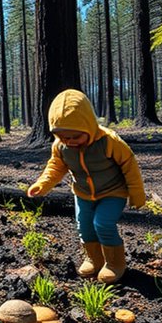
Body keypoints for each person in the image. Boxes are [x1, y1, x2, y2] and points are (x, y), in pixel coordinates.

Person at [26, 89, 146, 284]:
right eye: (64, 137)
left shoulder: (109, 141)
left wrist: (137, 193)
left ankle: (115, 263)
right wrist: (43, 184)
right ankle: (94, 259)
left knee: (103, 224)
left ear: (88, 126)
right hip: (83, 193)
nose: (70, 142)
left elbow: (129, 165)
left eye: (75, 136)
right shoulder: (60, 146)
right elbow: (55, 167)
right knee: (85, 226)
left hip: (112, 192)